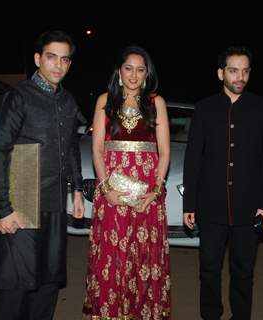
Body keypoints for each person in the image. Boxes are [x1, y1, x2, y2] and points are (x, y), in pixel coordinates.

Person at [0, 30, 84, 320]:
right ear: (37, 59)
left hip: (54, 202)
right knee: (16, 281)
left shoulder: (68, 101)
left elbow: (71, 147)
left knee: (48, 278)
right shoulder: (18, 97)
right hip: (22, 201)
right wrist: (3, 209)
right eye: (51, 57)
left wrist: (77, 190)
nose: (58, 65)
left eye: (65, 59)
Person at [183, 46, 263, 320]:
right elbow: (193, 160)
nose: (240, 77)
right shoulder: (204, 108)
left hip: (250, 208)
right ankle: (211, 315)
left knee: (243, 272)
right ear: (220, 73)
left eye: (245, 71)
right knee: (209, 270)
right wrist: (189, 203)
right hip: (210, 206)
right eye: (233, 70)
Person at [82, 46, 171, 319]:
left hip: (146, 190)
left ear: (147, 74)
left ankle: (141, 311)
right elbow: (97, 149)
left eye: (140, 69)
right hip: (113, 189)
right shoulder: (104, 101)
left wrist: (156, 191)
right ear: (120, 72)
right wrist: (106, 189)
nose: (134, 75)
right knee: (113, 254)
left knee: (144, 254)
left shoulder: (156, 103)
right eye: (128, 68)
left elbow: (164, 151)